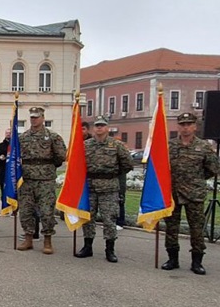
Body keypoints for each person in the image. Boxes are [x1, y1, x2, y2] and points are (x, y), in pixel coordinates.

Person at [161, 112, 220, 274]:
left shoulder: (204, 147)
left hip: (195, 194)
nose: (185, 128)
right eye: (182, 125)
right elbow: (161, 168)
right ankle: (172, 259)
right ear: (178, 127)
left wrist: (196, 179)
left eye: (189, 124)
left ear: (195, 126)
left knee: (196, 229)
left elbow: (213, 169)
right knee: (171, 228)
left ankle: (197, 262)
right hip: (173, 194)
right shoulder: (170, 145)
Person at [75, 116, 133, 262]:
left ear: (107, 128)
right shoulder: (86, 145)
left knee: (109, 219)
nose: (99, 128)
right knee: (88, 218)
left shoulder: (116, 145)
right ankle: (87, 246)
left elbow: (127, 164)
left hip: (109, 187)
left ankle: (110, 250)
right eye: (97, 126)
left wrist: (112, 174)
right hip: (90, 186)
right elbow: (78, 164)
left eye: (102, 125)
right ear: (93, 128)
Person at [17, 107, 66, 254]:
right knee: (26, 210)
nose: (34, 119)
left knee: (46, 211)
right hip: (26, 179)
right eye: (32, 117)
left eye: (37, 117)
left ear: (43, 118)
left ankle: (47, 240)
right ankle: (28, 238)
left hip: (45, 179)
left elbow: (60, 157)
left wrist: (46, 167)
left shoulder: (53, 136)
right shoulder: (23, 137)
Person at [0, 128, 11, 215]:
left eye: (10, 133)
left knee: (14, 191)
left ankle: (14, 209)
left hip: (12, 172)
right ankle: (5, 209)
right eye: (7, 133)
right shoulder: (0, 146)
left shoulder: (16, 145)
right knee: (3, 191)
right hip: (3, 171)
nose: (8, 134)